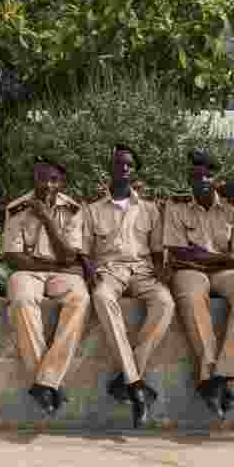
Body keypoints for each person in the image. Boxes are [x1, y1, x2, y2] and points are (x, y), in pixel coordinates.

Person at [164, 150, 234, 420]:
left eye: (208, 175)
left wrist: (211, 257)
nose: (203, 180)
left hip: (223, 272)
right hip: (190, 272)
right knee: (192, 295)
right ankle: (208, 374)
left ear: (217, 179)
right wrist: (227, 257)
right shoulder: (176, 206)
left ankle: (221, 376)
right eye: (197, 176)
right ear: (189, 180)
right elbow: (180, 254)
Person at [82, 145, 174, 428]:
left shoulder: (149, 209)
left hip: (143, 270)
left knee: (165, 302)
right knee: (101, 297)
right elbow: (83, 250)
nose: (124, 169)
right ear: (110, 168)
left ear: (135, 171)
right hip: (110, 271)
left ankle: (128, 378)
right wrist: (89, 273)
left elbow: (158, 249)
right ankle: (136, 384)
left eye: (130, 165)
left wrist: (162, 273)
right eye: (119, 164)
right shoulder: (92, 209)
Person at [2, 156, 89, 416]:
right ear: (34, 178)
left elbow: (69, 255)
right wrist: (61, 266)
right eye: (41, 178)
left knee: (79, 299)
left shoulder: (73, 209)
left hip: (56, 272)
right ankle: (49, 381)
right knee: (21, 299)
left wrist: (47, 219)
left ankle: (44, 381)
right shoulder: (17, 208)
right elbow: (13, 258)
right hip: (28, 273)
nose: (46, 185)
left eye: (53, 180)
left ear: (61, 183)